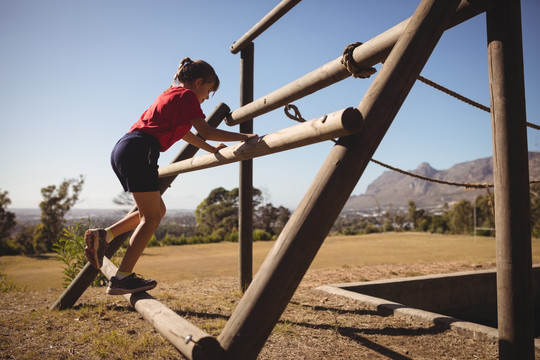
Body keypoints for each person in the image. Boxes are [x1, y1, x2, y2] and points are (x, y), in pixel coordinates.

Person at [84, 58, 258, 295]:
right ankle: (122, 279)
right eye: (208, 91)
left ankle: (104, 235)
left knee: (157, 211)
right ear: (198, 83)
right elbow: (205, 130)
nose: (206, 98)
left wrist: (211, 150)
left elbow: (187, 133)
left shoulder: (170, 94)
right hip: (140, 150)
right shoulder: (187, 96)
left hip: (126, 147)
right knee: (151, 218)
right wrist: (245, 137)